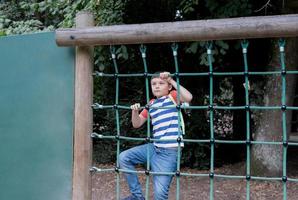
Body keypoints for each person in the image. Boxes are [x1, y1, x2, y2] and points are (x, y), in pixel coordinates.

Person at [120, 71, 193, 200]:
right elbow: (137, 124)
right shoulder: (151, 104)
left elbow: (188, 97)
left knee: (160, 194)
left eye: (161, 83)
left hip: (169, 152)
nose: (157, 86)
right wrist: (134, 112)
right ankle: (137, 196)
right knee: (124, 157)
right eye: (154, 84)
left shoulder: (173, 97)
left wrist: (171, 80)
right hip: (154, 148)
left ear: (169, 86)